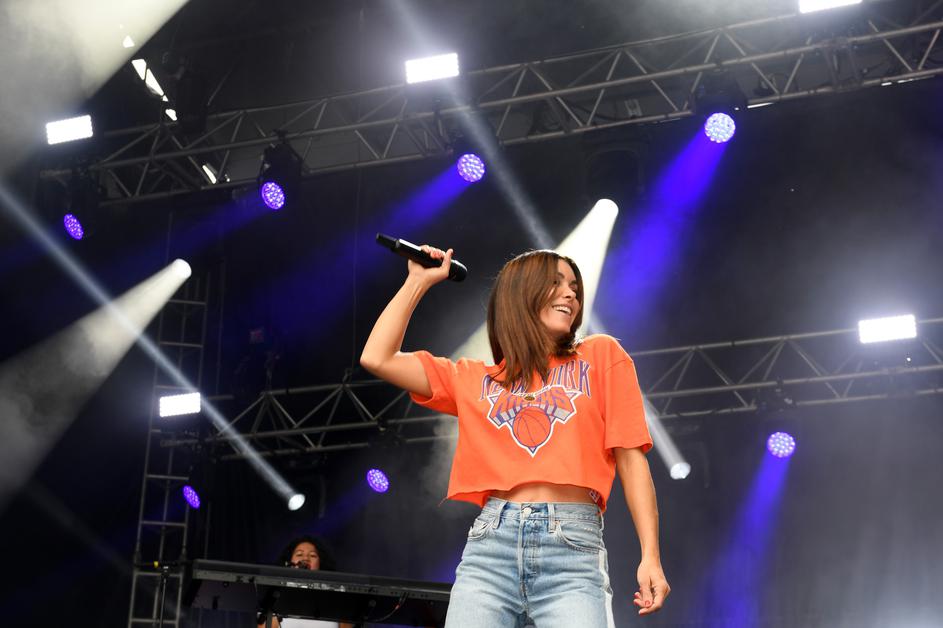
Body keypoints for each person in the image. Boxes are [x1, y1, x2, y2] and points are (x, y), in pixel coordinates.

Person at [360, 246, 670, 626]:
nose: (570, 294)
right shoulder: (474, 379)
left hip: (572, 552)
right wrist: (418, 281)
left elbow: (631, 459)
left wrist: (650, 556)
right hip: (490, 551)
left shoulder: (601, 355)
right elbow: (377, 357)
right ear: (521, 293)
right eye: (556, 283)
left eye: (574, 288)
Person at [257, 535, 353, 628]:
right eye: (299, 554)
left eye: (312, 555)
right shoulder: (275, 597)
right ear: (289, 562)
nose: (305, 558)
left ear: (321, 563)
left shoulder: (336, 600)